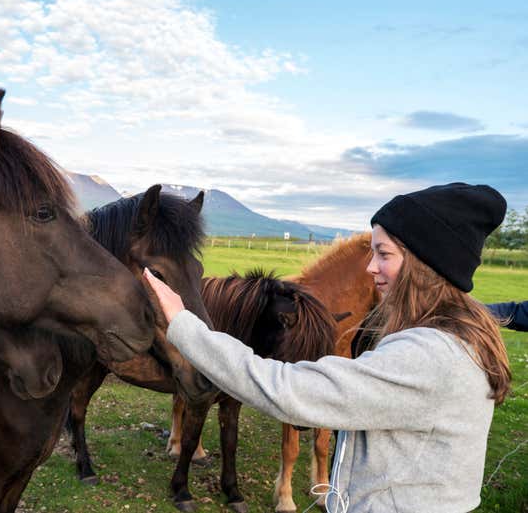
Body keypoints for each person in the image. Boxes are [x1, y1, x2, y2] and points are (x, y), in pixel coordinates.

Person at [144, 182, 511, 513]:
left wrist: (183, 324)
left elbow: (289, 391)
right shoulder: (457, 338)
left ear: (424, 264)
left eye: (383, 254)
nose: (370, 268)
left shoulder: (428, 358)